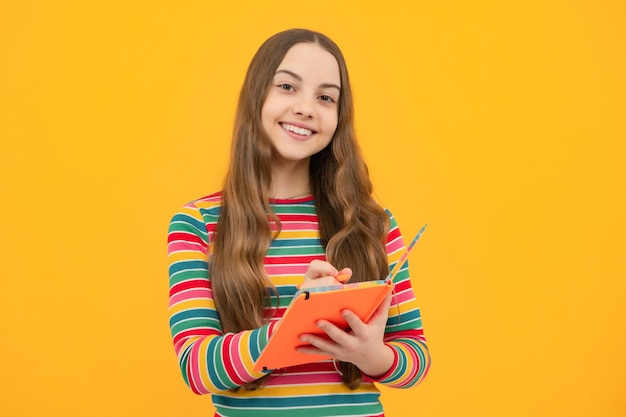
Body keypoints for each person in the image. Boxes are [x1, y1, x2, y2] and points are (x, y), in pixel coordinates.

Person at [167, 28, 430, 417]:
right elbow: (197, 368)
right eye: (288, 87)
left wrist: (372, 355)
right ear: (256, 95)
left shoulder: (373, 223)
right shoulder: (198, 223)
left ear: (339, 118)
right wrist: (294, 325)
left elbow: (416, 358)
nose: (306, 108)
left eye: (325, 97)